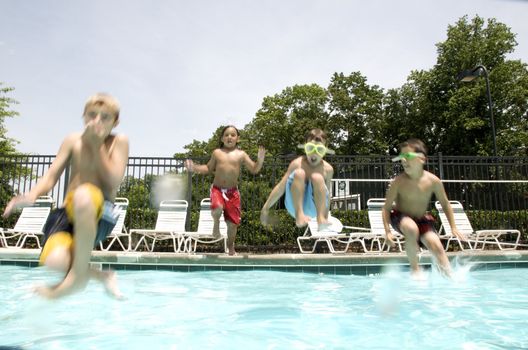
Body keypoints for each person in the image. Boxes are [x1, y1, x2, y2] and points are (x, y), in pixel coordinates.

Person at [3, 93, 129, 298]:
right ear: (84, 117)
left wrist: (97, 146)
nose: (97, 121)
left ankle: (77, 278)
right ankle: (100, 276)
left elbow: (113, 180)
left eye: (105, 117)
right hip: (66, 214)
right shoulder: (72, 140)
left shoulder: (119, 142)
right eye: (92, 115)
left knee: (83, 195)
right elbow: (51, 176)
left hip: (101, 215)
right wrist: (32, 194)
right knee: (54, 261)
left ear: (115, 122)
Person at [382, 138, 466, 278]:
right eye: (401, 157)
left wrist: (453, 227)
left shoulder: (433, 180)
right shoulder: (399, 182)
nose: (403, 160)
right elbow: (385, 208)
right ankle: (415, 271)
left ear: (422, 159)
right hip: (400, 216)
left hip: (421, 219)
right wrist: (387, 232)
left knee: (436, 245)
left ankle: (449, 276)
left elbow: (445, 204)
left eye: (407, 156)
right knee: (411, 228)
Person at [185, 125, 265, 256]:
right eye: (226, 135)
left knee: (232, 225)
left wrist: (260, 160)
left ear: (238, 139)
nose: (229, 137)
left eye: (233, 135)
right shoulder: (217, 153)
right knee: (217, 208)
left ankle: (230, 246)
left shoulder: (241, 154)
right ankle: (216, 224)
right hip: (217, 189)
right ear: (222, 138)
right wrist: (194, 167)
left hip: (233, 193)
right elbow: (208, 168)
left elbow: (254, 169)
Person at [261, 128, 334, 230]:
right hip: (294, 205)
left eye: (320, 149)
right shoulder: (297, 163)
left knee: (317, 177)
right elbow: (281, 187)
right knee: (299, 173)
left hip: (314, 208)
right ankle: (299, 215)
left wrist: (326, 216)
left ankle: (320, 219)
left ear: (325, 149)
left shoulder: (328, 169)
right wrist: (266, 207)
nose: (314, 153)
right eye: (310, 148)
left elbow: (327, 193)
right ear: (305, 146)